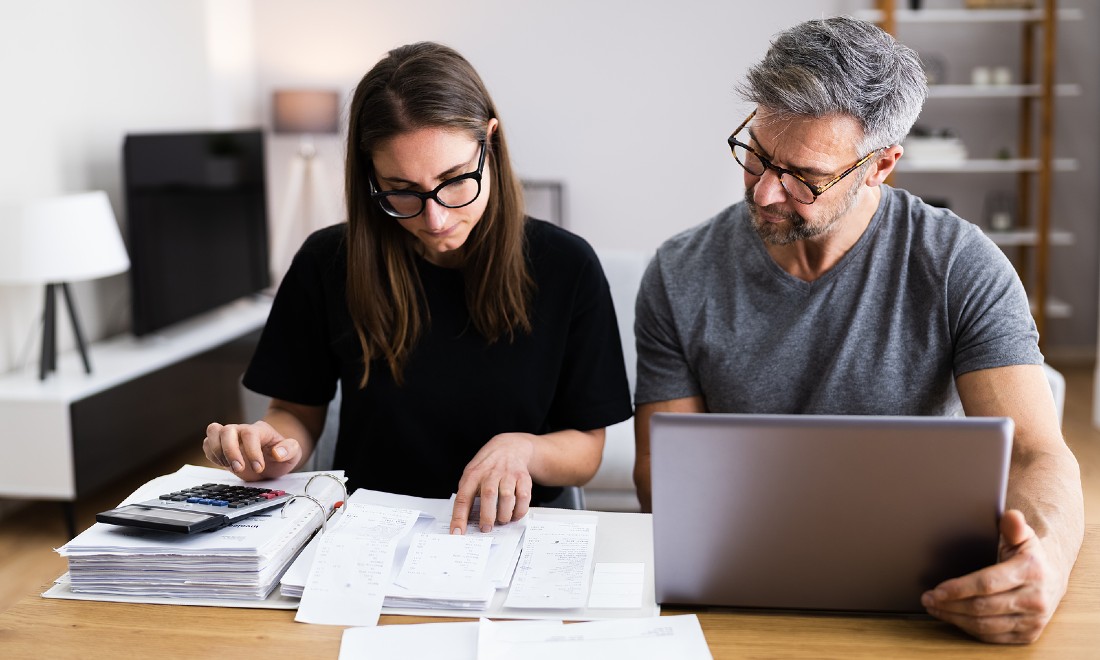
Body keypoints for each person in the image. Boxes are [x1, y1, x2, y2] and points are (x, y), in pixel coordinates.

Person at [631, 17, 1083, 644]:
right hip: (738, 601)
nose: (764, 192)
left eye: (803, 177)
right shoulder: (680, 273)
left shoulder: (960, 265)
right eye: (755, 154)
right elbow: (660, 469)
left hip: (926, 605)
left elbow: (1039, 455)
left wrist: (1048, 565)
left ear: (882, 165)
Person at [203, 42, 632, 535]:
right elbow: (296, 412)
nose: (435, 217)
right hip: (368, 528)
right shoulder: (328, 262)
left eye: (453, 180)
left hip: (516, 531)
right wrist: (268, 445)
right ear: (371, 175)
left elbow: (586, 448)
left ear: (489, 142)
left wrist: (523, 448)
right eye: (401, 189)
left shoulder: (566, 265)